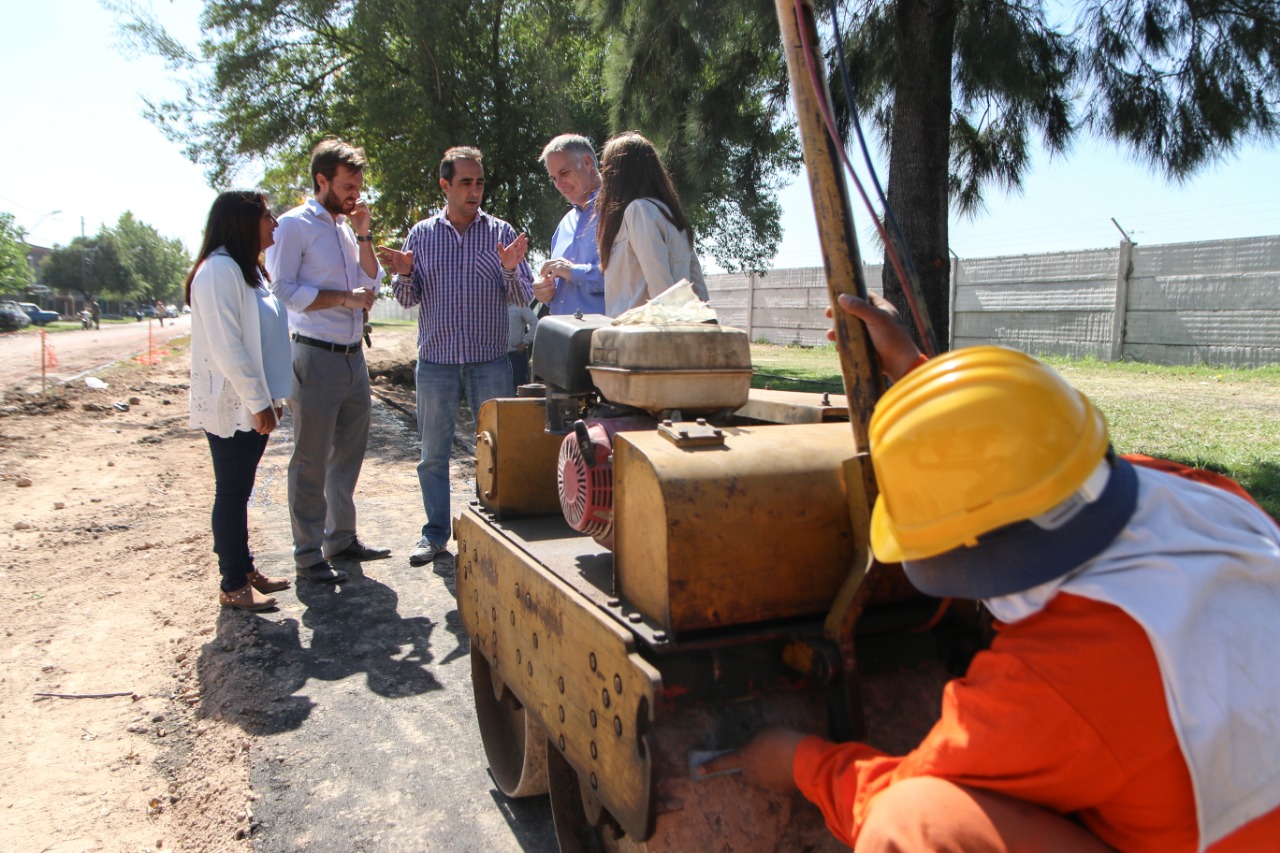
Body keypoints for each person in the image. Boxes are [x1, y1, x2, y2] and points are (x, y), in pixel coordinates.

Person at [704, 292, 1280, 852]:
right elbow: (1021, 459)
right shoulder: (1205, 494)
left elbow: (895, 790)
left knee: (911, 825)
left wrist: (799, 761)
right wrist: (916, 378)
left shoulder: (1058, 679)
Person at [376, 146, 533, 566]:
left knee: (496, 449)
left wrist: (509, 269)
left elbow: (525, 295)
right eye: (466, 182)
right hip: (436, 365)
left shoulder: (501, 232)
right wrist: (405, 272)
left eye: (480, 181)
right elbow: (407, 300)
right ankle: (435, 534)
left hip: (489, 360)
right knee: (433, 454)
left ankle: (494, 527)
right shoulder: (422, 236)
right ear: (445, 185)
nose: (475, 190)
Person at [266, 138, 389, 585]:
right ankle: (307, 552)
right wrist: (343, 298)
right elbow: (282, 291)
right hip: (314, 355)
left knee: (348, 456)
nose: (355, 193)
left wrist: (364, 232)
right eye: (347, 185)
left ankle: (341, 538)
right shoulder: (293, 226)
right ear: (322, 181)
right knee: (310, 460)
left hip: (354, 358)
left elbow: (370, 278)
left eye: (358, 184)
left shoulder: (343, 228)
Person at [187, 190, 293, 612]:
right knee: (231, 492)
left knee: (241, 491)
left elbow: (264, 339)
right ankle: (232, 584)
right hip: (234, 404)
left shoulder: (249, 270)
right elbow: (229, 346)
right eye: (268, 216)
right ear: (244, 222)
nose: (275, 224)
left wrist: (273, 396)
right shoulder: (218, 272)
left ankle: (244, 569)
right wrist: (258, 400)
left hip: (254, 400)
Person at [594, 131, 708, 316]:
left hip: (640, 335)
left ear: (617, 173)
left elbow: (661, 287)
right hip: (669, 328)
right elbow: (698, 287)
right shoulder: (672, 215)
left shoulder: (638, 211)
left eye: (606, 168)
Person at [533, 134, 606, 315]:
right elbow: (559, 290)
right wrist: (544, 291)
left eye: (564, 173)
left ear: (588, 162)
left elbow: (628, 277)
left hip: (601, 338)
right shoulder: (565, 224)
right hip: (562, 338)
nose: (559, 184)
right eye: (553, 178)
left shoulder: (619, 212)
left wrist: (574, 272)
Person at [507, 300, 538, 389]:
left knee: (519, 386)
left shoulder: (520, 306)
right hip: (495, 355)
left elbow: (535, 323)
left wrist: (525, 341)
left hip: (514, 354)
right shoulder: (493, 305)